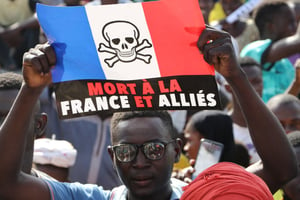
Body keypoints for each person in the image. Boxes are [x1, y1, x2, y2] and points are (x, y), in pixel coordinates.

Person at [0, 26, 297, 200]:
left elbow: (282, 169)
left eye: (154, 149)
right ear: (112, 157)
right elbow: (6, 184)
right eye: (127, 152)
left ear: (176, 148)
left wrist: (236, 78)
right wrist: (30, 89)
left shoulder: (201, 196)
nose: (140, 162)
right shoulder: (88, 197)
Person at [240, 0, 300, 103]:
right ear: (271, 26)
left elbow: (286, 102)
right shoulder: (253, 50)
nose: (294, 28)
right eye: (290, 23)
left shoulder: (285, 64)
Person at [226, 56, 262, 164]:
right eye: (244, 81)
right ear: (228, 87)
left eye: (256, 81)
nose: (252, 88)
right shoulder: (221, 128)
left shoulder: (277, 125)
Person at [0, 0, 40, 70]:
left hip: (23, 32)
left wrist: (17, 28)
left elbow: (40, 15)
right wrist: (5, 32)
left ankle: (31, 63)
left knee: (33, 29)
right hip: (3, 34)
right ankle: (8, 63)